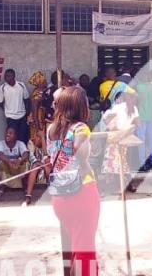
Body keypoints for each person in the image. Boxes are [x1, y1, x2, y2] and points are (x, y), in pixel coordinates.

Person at [45, 86, 100, 276]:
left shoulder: (51, 130)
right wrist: (81, 144)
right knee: (85, 249)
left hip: (60, 196)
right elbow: (80, 152)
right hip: (81, 192)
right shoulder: (81, 128)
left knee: (75, 245)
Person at [100, 92, 139, 195]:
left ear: (120, 99)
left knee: (115, 163)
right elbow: (137, 124)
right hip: (126, 138)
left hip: (115, 138)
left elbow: (108, 122)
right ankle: (129, 185)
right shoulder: (133, 108)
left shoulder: (116, 108)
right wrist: (128, 129)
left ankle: (120, 186)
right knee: (123, 161)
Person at [0, 69, 31, 144]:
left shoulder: (21, 85)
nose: (6, 78)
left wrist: (27, 113)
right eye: (6, 76)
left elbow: (27, 99)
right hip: (11, 117)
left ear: (14, 76)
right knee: (11, 137)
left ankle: (22, 154)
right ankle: (13, 153)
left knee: (23, 137)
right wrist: (6, 109)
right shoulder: (2, 88)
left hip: (22, 116)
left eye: (9, 76)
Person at [134, 71, 152, 170]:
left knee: (141, 140)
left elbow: (136, 101)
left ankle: (142, 162)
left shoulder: (137, 87)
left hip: (141, 116)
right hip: (151, 116)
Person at [21, 130, 48, 206]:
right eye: (36, 136)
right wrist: (38, 163)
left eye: (38, 137)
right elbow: (31, 157)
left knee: (47, 166)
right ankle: (28, 196)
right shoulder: (31, 143)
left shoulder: (47, 144)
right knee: (34, 166)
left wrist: (43, 140)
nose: (35, 138)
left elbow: (47, 156)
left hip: (46, 165)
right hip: (35, 165)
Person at [28, 71, 51, 151]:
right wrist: (38, 127)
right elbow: (34, 112)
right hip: (37, 122)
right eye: (43, 80)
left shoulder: (42, 92)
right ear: (39, 82)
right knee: (37, 140)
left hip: (41, 121)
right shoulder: (37, 94)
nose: (46, 82)